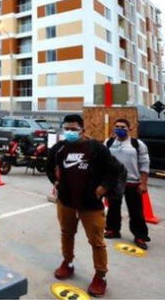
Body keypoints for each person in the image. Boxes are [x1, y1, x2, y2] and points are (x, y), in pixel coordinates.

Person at [45, 114, 119, 297]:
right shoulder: (59, 148)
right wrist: (55, 181)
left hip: (91, 204)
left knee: (96, 241)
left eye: (74, 129)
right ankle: (68, 263)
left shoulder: (96, 148)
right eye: (67, 129)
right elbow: (48, 166)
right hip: (66, 201)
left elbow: (113, 171)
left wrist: (101, 189)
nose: (69, 132)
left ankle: (100, 276)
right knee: (67, 233)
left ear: (83, 130)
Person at [104, 118, 151, 250]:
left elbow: (145, 164)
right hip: (114, 183)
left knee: (136, 211)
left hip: (132, 182)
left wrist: (143, 183)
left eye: (123, 127)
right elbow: (103, 160)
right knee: (113, 208)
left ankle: (140, 235)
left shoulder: (137, 144)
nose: (120, 128)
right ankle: (113, 230)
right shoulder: (109, 142)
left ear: (129, 129)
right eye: (117, 126)